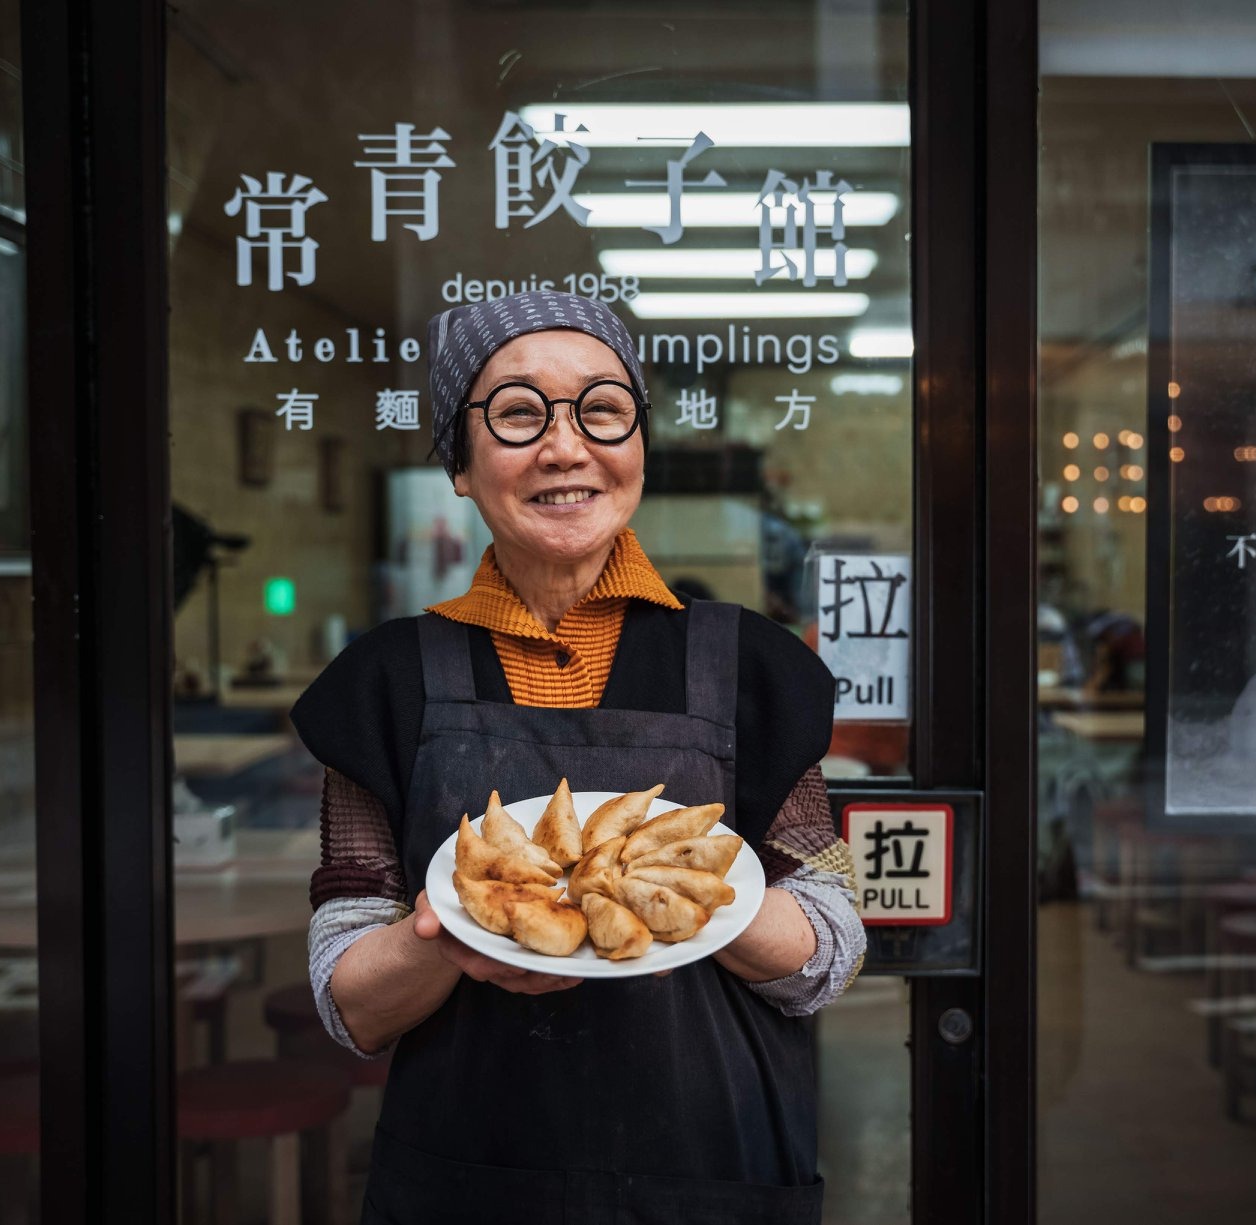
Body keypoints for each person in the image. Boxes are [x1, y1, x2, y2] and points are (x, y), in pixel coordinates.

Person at [290, 290, 865, 1224]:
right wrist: (448, 934)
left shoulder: (749, 666)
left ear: (638, 444)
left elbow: (828, 952)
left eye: (602, 408)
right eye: (518, 414)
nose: (565, 447)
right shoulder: (386, 681)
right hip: (468, 1181)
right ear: (460, 464)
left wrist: (697, 902)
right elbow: (350, 1001)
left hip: (711, 1173)